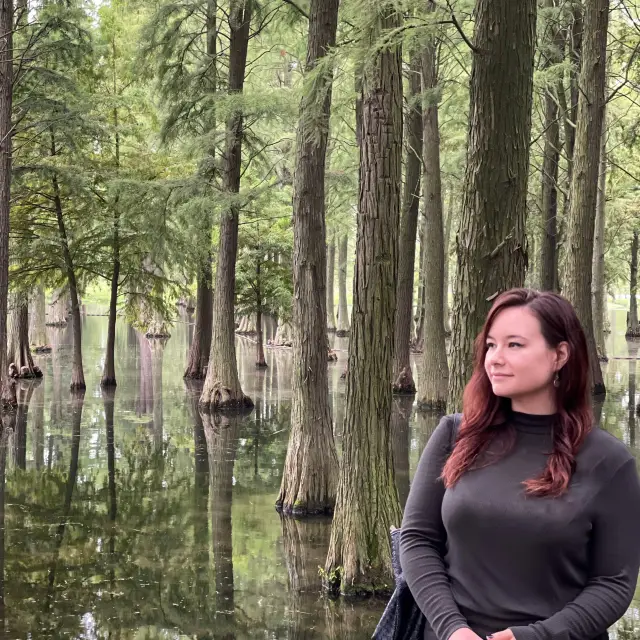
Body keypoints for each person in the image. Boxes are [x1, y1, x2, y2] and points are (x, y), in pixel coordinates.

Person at [400, 288, 640, 640]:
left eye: (514, 345)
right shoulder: (455, 435)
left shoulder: (608, 461)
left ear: (560, 355)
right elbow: (418, 540)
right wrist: (452, 628)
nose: (495, 358)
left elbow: (614, 583)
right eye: (491, 345)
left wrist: (536, 635)